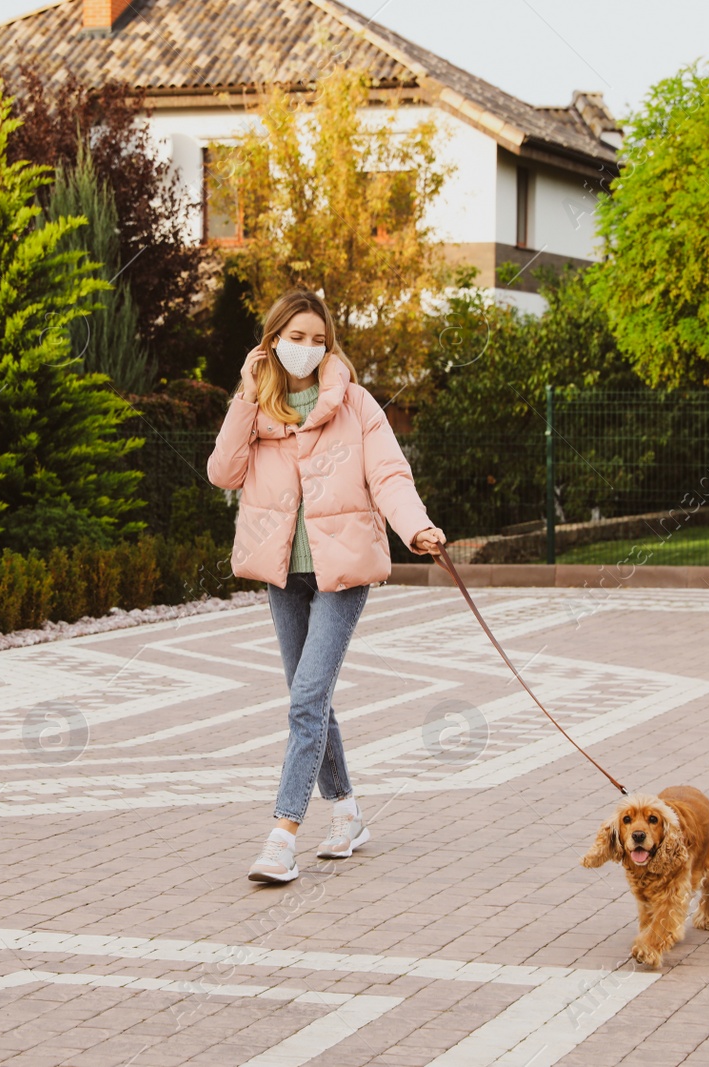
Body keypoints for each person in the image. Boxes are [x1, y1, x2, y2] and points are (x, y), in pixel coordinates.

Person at [207, 288, 446, 884]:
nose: (307, 349)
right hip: (283, 572)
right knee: (310, 700)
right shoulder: (256, 409)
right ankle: (347, 813)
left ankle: (283, 836)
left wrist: (416, 528)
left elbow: (389, 475)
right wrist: (243, 394)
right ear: (272, 343)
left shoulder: (357, 405)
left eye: (318, 340)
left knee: (306, 700)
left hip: (344, 573)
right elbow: (222, 473)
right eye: (296, 338)